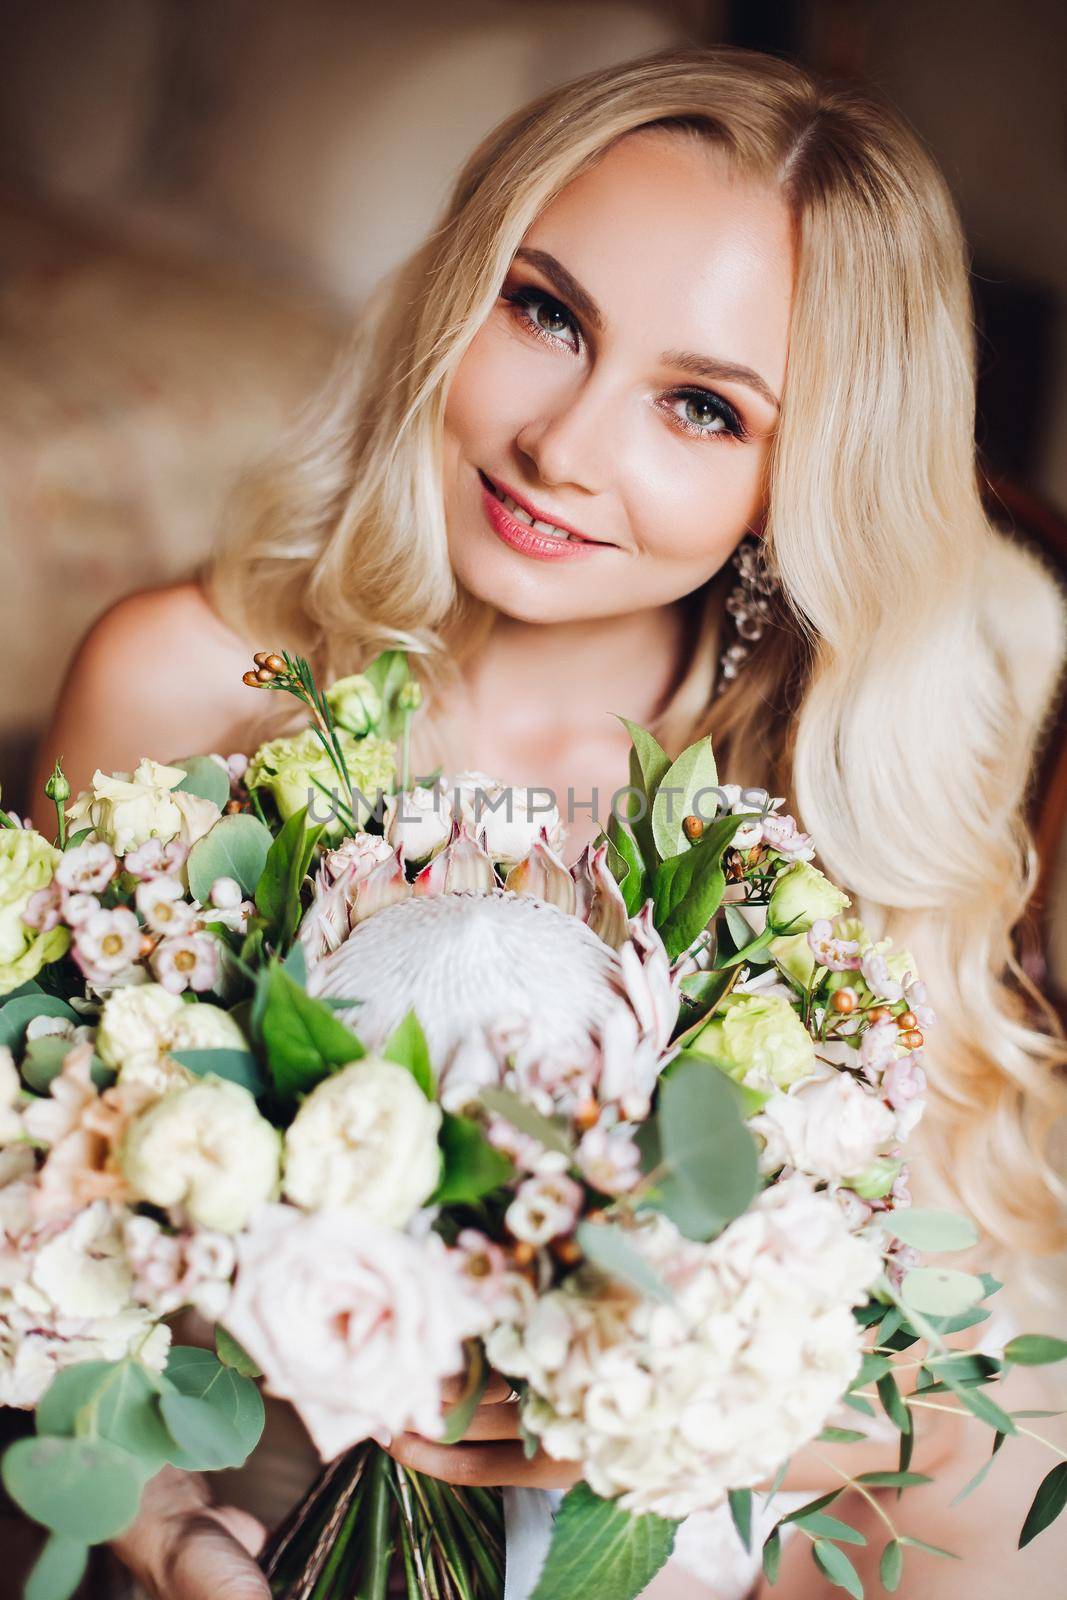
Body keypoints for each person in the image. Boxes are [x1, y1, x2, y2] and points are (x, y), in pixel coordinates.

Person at [31, 43, 1067, 1600]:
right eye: (546, 311)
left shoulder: (832, 790)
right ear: (456, 292)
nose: (563, 450)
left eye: (704, 409)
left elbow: (937, 1380)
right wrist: (162, 1532)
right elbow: (28, 1227)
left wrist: (666, 1425)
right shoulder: (181, 688)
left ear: (803, 485)